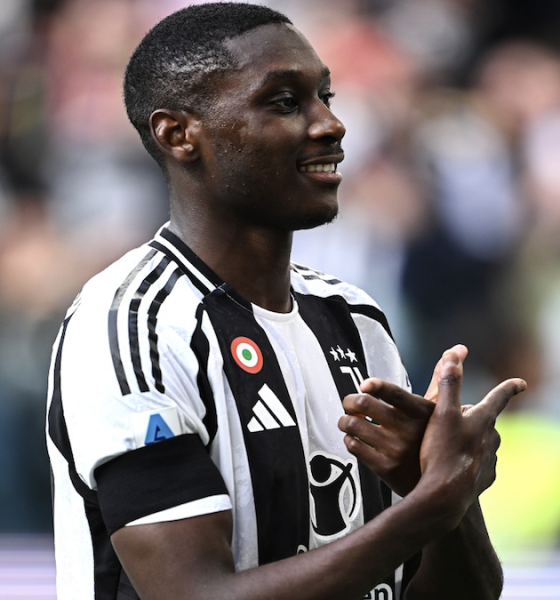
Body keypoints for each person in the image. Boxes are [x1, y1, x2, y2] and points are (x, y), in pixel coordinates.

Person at [46, 3, 526, 599]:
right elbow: (193, 594)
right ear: (178, 134)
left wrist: (454, 498)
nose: (331, 124)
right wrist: (430, 505)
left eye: (325, 95)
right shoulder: (134, 324)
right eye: (284, 102)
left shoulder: (353, 318)